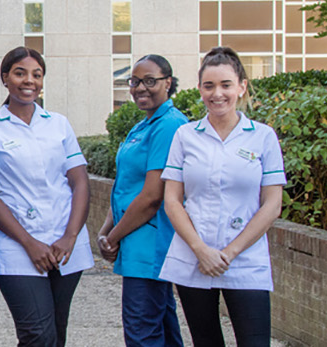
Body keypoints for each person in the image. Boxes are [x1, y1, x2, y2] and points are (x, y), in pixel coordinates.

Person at [159, 47, 287, 347]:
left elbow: (272, 205)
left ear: (241, 86)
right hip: (194, 257)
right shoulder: (185, 136)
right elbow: (172, 201)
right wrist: (201, 250)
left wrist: (229, 252)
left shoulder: (263, 136)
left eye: (226, 85)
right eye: (209, 86)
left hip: (245, 259)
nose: (217, 93)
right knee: (206, 342)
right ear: (200, 89)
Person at [0, 46, 94, 347]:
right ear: (5, 78)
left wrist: (70, 236)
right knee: (37, 335)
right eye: (20, 73)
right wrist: (29, 243)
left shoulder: (58, 123)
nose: (29, 81)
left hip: (65, 245)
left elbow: (79, 181)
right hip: (18, 248)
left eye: (36, 75)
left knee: (56, 333)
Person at [98, 54, 191, 347]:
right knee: (160, 328)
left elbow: (152, 196)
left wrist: (113, 237)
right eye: (135, 81)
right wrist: (105, 230)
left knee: (142, 333)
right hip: (134, 241)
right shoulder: (143, 125)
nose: (141, 88)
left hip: (151, 244)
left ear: (169, 83)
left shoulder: (169, 124)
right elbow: (125, 185)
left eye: (150, 81)